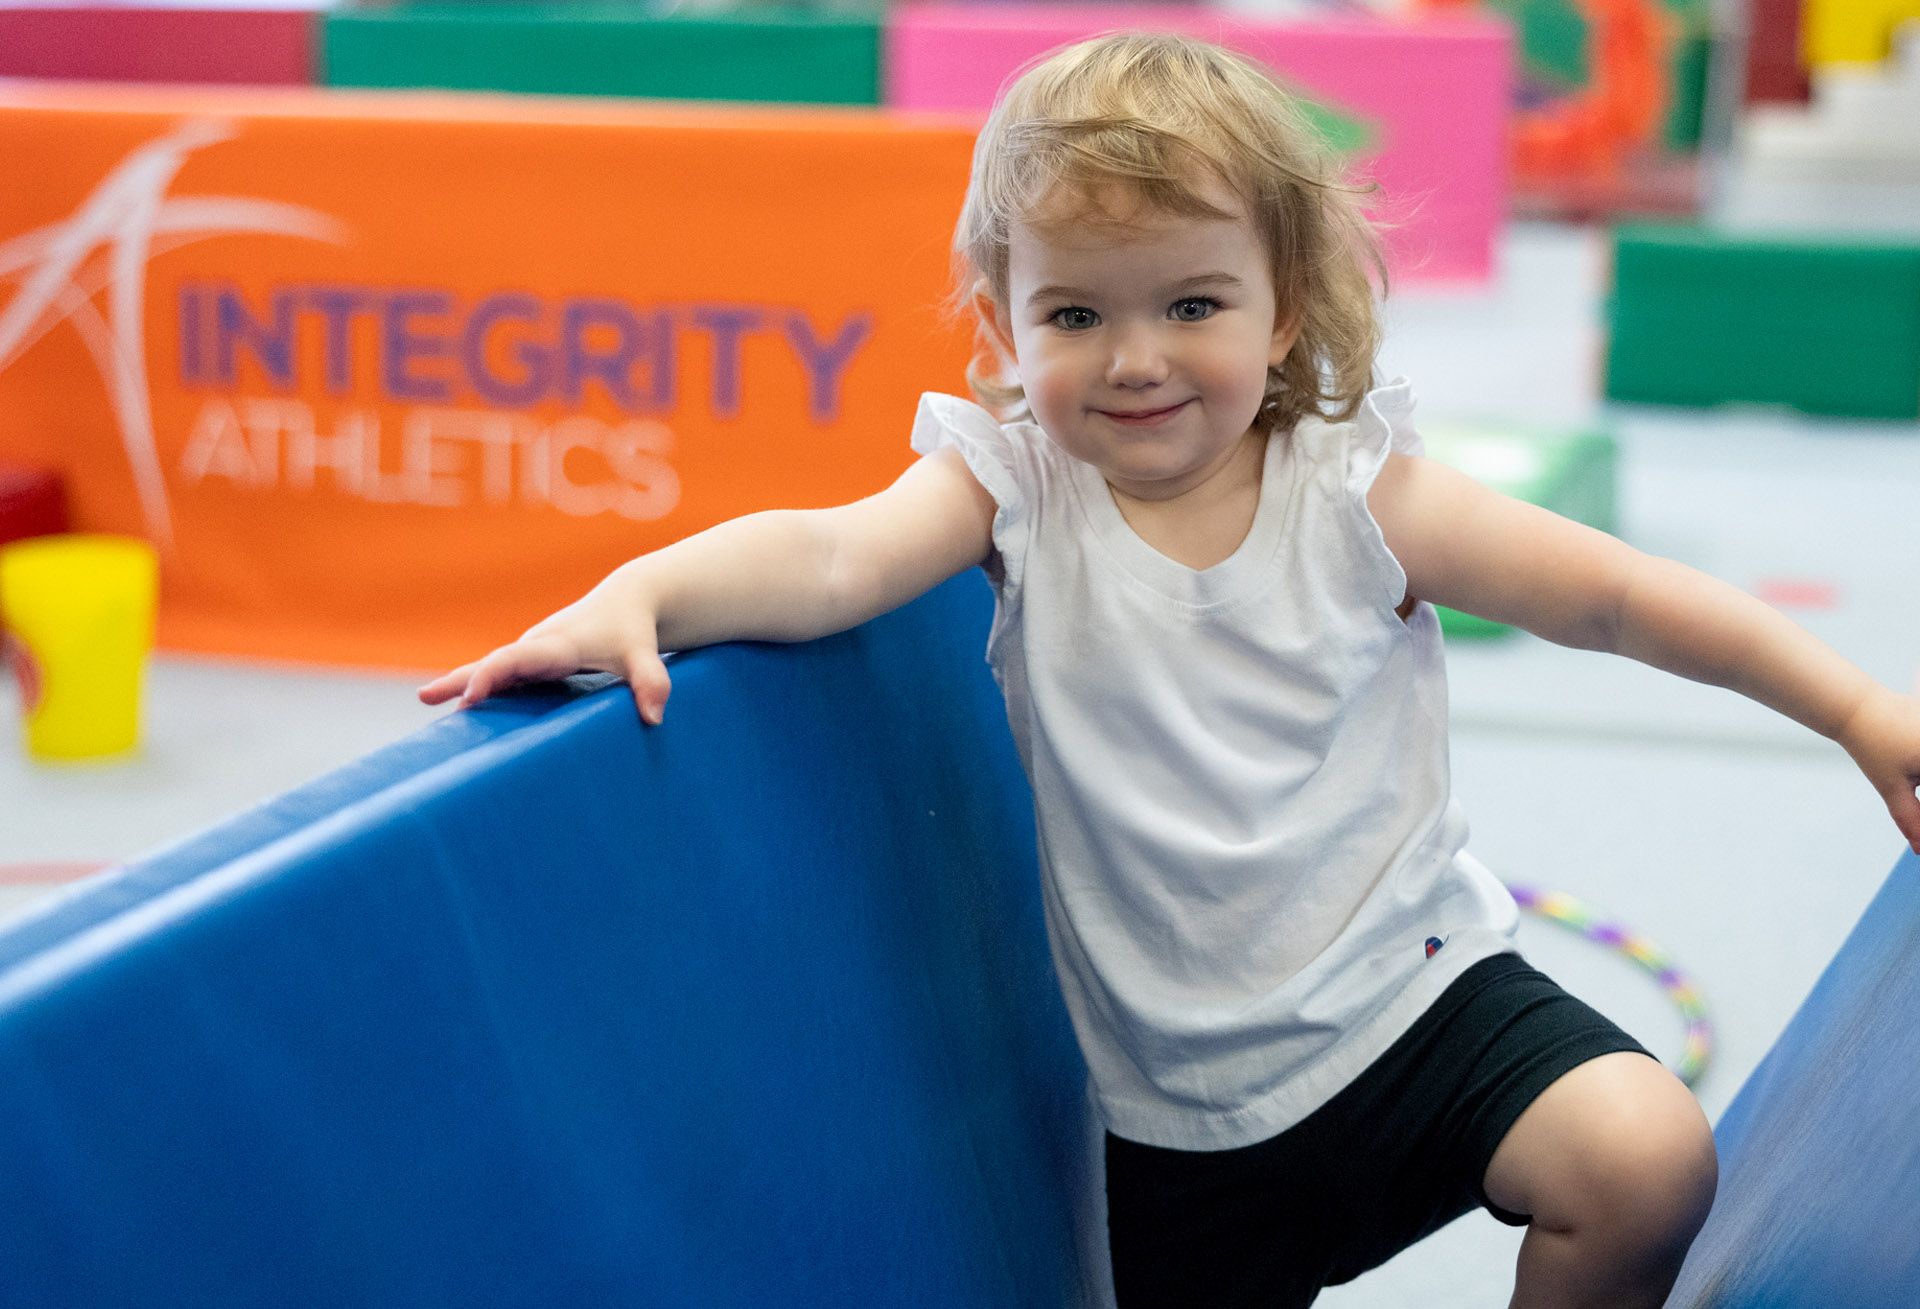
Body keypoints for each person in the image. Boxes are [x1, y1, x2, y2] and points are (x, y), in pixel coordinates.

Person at [418, 32, 1920, 1308]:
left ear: (1283, 314)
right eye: (1076, 314)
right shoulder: (1015, 489)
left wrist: (1853, 706)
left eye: (1191, 304)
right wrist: (643, 591)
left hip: (1410, 1005)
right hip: (1175, 1118)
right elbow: (826, 559)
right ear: (1004, 326)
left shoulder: (1353, 484)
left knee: (1643, 1154)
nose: (1135, 358)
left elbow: (1606, 597)